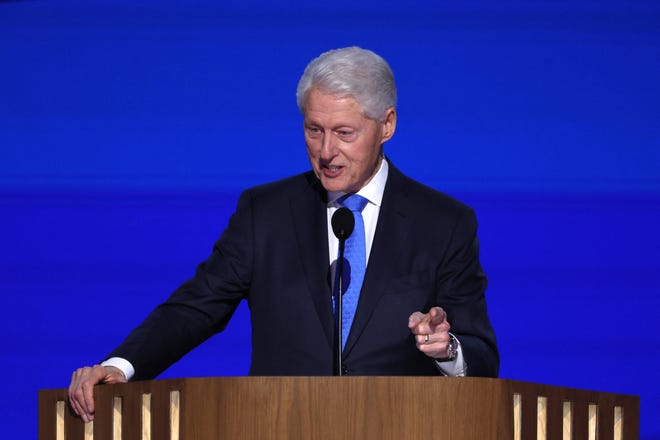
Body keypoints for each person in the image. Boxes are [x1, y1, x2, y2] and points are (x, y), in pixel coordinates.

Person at [69, 46, 499, 422]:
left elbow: (481, 353)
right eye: (314, 130)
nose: (326, 150)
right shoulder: (266, 213)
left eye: (344, 133)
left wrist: (448, 349)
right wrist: (123, 366)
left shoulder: (444, 223)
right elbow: (195, 307)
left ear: (386, 125)